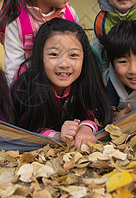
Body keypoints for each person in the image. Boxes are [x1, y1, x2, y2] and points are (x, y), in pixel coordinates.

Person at [11, 18, 113, 147]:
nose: (64, 64)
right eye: (54, 54)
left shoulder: (88, 80)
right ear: (40, 57)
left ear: (84, 58)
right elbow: (26, 125)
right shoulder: (27, 86)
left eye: (73, 55)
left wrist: (85, 128)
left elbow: (96, 111)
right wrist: (57, 135)